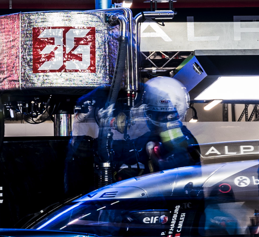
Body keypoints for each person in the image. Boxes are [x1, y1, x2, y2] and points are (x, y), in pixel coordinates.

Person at [65, 77, 200, 191]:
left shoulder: (179, 144)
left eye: (165, 115)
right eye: (155, 113)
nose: (160, 120)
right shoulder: (143, 139)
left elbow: (181, 177)